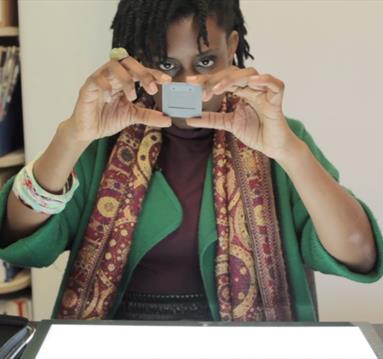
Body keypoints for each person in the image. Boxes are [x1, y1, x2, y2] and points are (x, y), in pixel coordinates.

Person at [0, 0, 382, 322]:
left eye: (205, 62)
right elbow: (21, 239)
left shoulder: (277, 135)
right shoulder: (103, 139)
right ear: (139, 60)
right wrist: (72, 136)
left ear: (232, 47)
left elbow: (359, 254)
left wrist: (289, 152)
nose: (187, 84)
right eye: (167, 66)